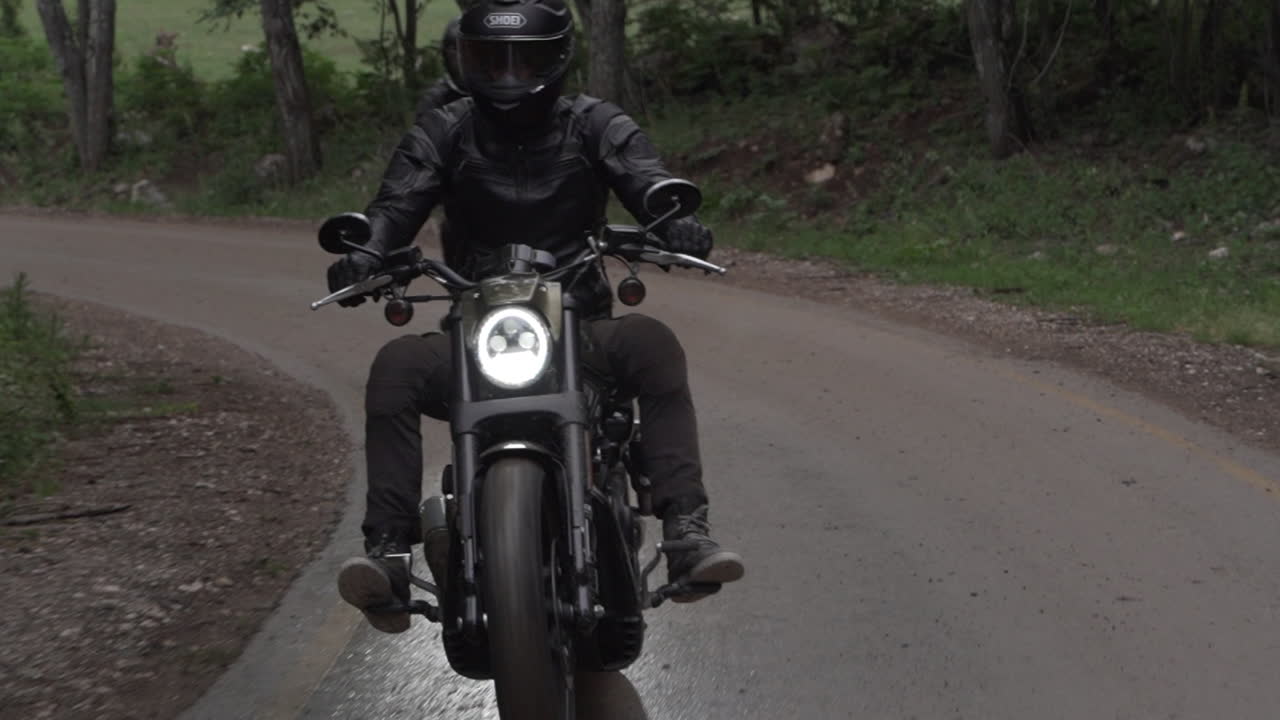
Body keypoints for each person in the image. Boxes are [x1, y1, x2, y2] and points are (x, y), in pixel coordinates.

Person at [329, 0, 744, 635]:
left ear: (556, 58)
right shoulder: (442, 130)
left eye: (524, 59)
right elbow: (395, 205)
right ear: (465, 60)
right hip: (474, 330)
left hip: (580, 324)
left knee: (654, 346)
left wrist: (672, 217)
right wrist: (366, 252)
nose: (508, 75)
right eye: (491, 59)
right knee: (396, 367)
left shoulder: (596, 123)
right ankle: (387, 550)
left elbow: (646, 177)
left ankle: (687, 531)